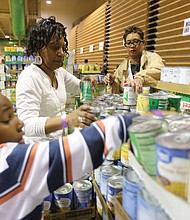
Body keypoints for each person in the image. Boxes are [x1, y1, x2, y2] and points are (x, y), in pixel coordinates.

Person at [0, 93, 135, 220]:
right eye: (7, 119)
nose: (19, 123)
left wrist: (67, 121)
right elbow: (85, 145)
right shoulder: (13, 164)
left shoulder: (59, 75)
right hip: (43, 150)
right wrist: (137, 120)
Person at [16, 16, 97, 144]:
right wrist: (67, 119)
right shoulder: (29, 77)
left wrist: (87, 82)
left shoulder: (59, 72)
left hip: (59, 142)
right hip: (40, 149)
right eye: (54, 47)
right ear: (38, 49)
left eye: (62, 48)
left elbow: (78, 88)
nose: (61, 53)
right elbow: (27, 125)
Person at [103, 25, 165, 94]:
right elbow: (117, 92)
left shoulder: (153, 57)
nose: (132, 46)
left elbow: (159, 70)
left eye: (136, 41)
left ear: (143, 43)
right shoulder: (123, 66)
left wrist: (140, 78)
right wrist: (112, 82)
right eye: (129, 43)